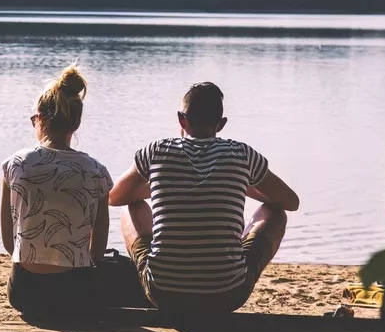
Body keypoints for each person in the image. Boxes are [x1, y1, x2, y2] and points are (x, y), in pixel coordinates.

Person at [108, 82, 299, 315]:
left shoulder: (157, 150)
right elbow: (291, 202)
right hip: (228, 294)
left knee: (131, 207)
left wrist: (164, 182)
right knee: (275, 212)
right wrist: (241, 182)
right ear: (221, 124)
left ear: (181, 120)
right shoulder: (242, 154)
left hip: (164, 293)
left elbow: (115, 197)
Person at [0, 63, 113, 317]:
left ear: (39, 119)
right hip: (75, 294)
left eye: (33, 120)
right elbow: (97, 251)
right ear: (76, 123)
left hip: (23, 292)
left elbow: (10, 244)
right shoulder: (96, 171)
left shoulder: (15, 164)